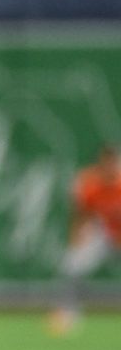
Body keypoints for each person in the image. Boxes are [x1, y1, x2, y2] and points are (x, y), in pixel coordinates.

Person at [49, 144, 121, 336]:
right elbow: (81, 213)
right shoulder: (89, 182)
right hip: (105, 234)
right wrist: (76, 238)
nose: (110, 165)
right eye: (106, 161)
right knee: (72, 263)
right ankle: (68, 312)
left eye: (113, 161)